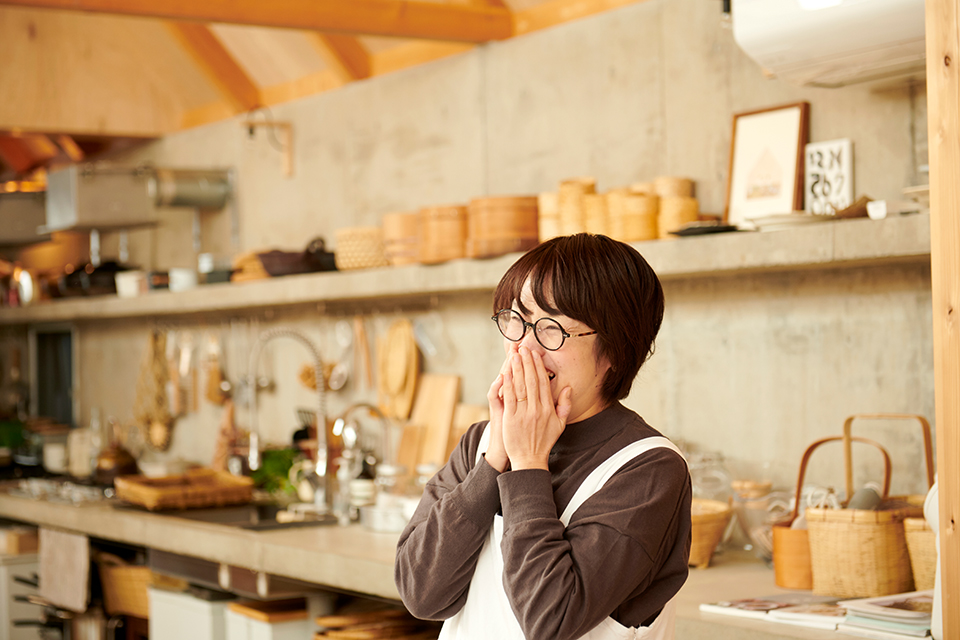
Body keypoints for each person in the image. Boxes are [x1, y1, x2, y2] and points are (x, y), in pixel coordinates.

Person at [395, 233, 691, 640]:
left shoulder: (650, 469)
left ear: (615, 351)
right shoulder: (480, 442)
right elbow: (420, 594)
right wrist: (493, 462)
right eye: (516, 321)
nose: (525, 347)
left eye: (551, 328)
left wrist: (528, 462)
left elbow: (551, 622)